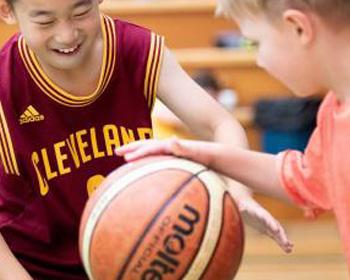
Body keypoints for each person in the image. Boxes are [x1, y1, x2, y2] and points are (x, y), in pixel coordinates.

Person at [0, 0, 291, 278]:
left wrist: (239, 193)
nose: (66, 34)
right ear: (7, 11)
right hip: (36, 268)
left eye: (80, 12)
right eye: (45, 20)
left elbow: (220, 123)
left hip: (139, 252)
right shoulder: (5, 84)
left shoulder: (136, 48)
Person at [116, 0, 350, 271]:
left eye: (256, 43)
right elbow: (301, 176)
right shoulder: (334, 109)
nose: (259, 60)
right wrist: (202, 154)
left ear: (298, 28)